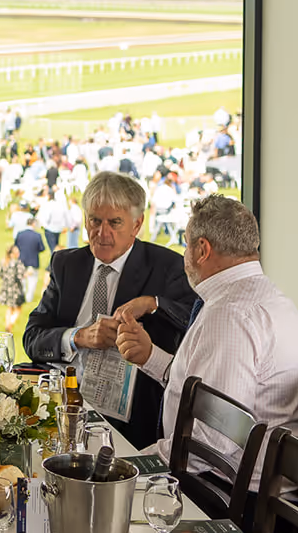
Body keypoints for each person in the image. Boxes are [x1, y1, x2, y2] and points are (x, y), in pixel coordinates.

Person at [115, 195, 298, 490]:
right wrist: (150, 357)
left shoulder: (231, 314)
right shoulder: (262, 296)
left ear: (202, 249)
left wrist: (131, 464)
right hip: (248, 482)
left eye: (186, 244)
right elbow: (206, 391)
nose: (184, 255)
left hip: (232, 494)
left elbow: (211, 444)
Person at [24, 172, 197, 448]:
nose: (102, 233)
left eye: (115, 222)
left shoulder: (167, 267)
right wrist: (78, 337)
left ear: (137, 224)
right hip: (64, 402)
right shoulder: (66, 265)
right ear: (84, 220)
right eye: (95, 220)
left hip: (130, 414)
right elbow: (32, 337)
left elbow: (194, 319)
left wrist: (153, 303)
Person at [13, 216, 46, 301]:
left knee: (22, 279)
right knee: (32, 280)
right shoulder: (37, 235)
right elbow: (42, 248)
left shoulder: (20, 234)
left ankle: (22, 295)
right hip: (33, 260)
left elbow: (15, 246)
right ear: (33, 224)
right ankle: (29, 298)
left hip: (21, 260)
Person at [0, 244, 27, 331]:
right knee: (18, 309)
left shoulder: (3, 262)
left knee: (9, 308)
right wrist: (27, 274)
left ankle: (7, 323)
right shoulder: (17, 263)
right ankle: (11, 323)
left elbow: (0, 273)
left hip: (6, 288)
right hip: (15, 288)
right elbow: (20, 276)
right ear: (12, 254)